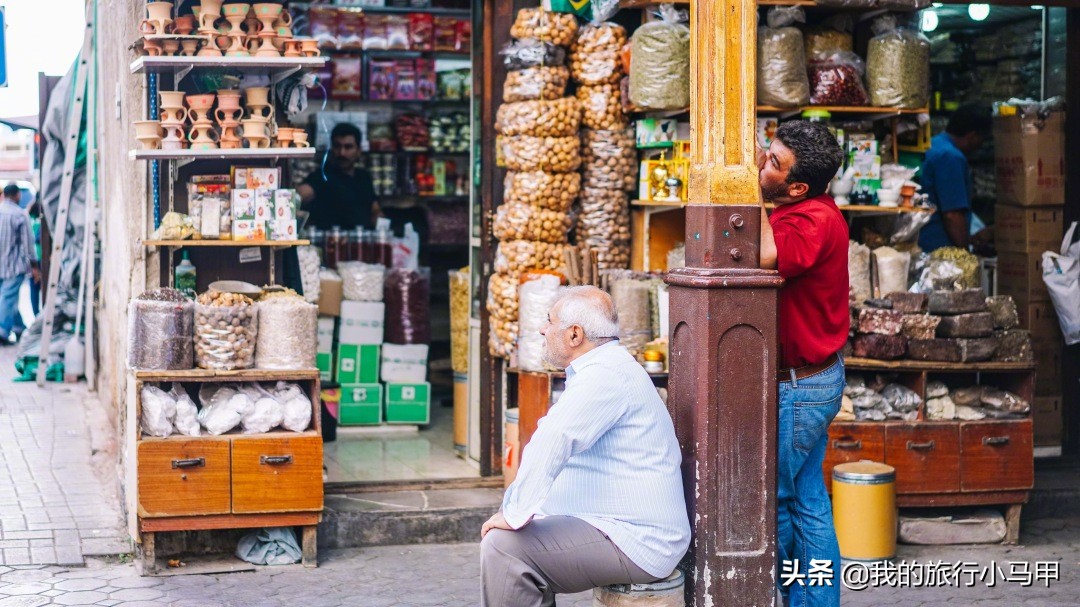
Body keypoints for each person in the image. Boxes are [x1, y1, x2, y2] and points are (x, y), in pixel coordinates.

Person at [480, 286, 690, 607]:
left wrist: (515, 512)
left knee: (503, 549)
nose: (542, 329)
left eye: (550, 322)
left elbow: (553, 439)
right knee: (522, 534)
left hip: (639, 540)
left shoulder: (605, 376)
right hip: (615, 526)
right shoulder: (603, 369)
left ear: (575, 334)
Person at [758, 121, 849, 607]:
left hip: (801, 388)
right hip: (811, 381)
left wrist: (743, 186)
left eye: (773, 162)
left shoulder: (812, 219)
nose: (761, 163)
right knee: (807, 499)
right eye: (767, 152)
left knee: (783, 502)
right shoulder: (800, 207)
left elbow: (769, 256)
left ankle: (805, 601)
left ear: (798, 186)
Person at [917, 104, 992, 252]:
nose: (981, 145)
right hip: (937, 249)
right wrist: (964, 255)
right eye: (982, 139)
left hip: (923, 242)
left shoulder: (934, 145)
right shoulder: (951, 157)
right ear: (972, 136)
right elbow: (952, 215)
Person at [296, 123, 380, 231]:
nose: (342, 153)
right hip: (330, 243)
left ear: (359, 150)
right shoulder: (322, 176)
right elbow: (297, 197)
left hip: (360, 242)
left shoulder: (364, 177)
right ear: (331, 148)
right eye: (337, 146)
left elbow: (375, 209)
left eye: (348, 147)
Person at [0, 184, 36, 345]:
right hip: (14, 266)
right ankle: (3, 331)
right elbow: (29, 244)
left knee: (9, 298)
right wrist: (35, 266)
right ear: (16, 195)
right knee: (8, 299)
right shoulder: (20, 214)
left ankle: (19, 328)